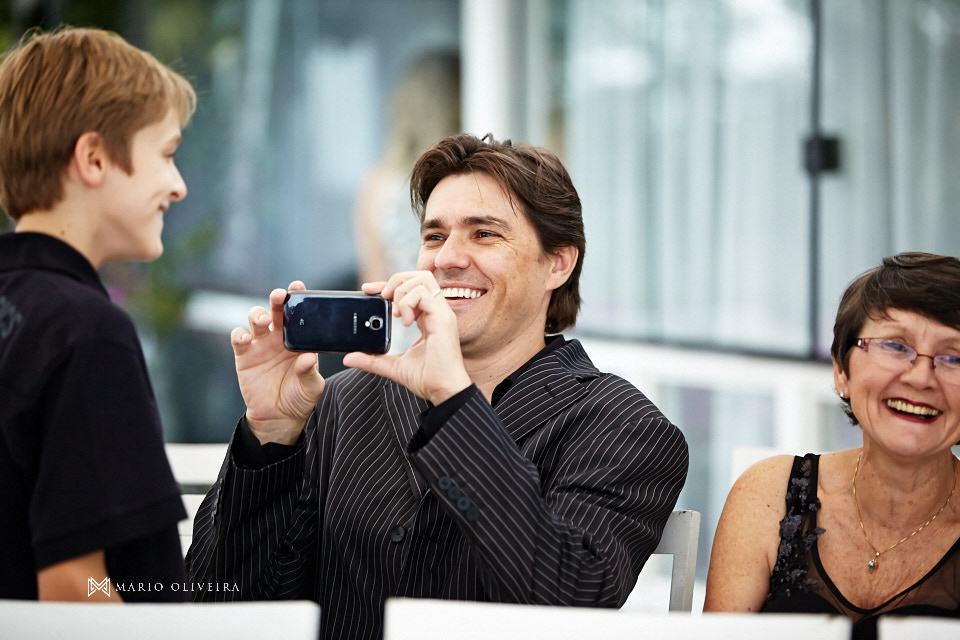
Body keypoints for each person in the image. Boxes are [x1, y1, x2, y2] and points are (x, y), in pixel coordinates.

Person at [187, 133, 689, 639]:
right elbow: (217, 601)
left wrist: (453, 400)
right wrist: (272, 439)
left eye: (485, 234)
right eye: (433, 236)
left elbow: (567, 597)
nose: (447, 258)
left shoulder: (627, 427)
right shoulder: (348, 401)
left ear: (558, 263)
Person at [0, 27, 196, 601]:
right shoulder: (87, 332)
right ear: (93, 158)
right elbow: (75, 587)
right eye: (166, 155)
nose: (179, 186)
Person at [704, 252, 960, 639]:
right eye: (895, 345)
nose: (922, 376)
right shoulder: (770, 494)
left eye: (954, 356)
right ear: (842, 371)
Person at [353, 50, 460, 351]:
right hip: (460, 338)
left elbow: (373, 286)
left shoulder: (378, 186)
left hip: (401, 340)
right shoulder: (471, 185)